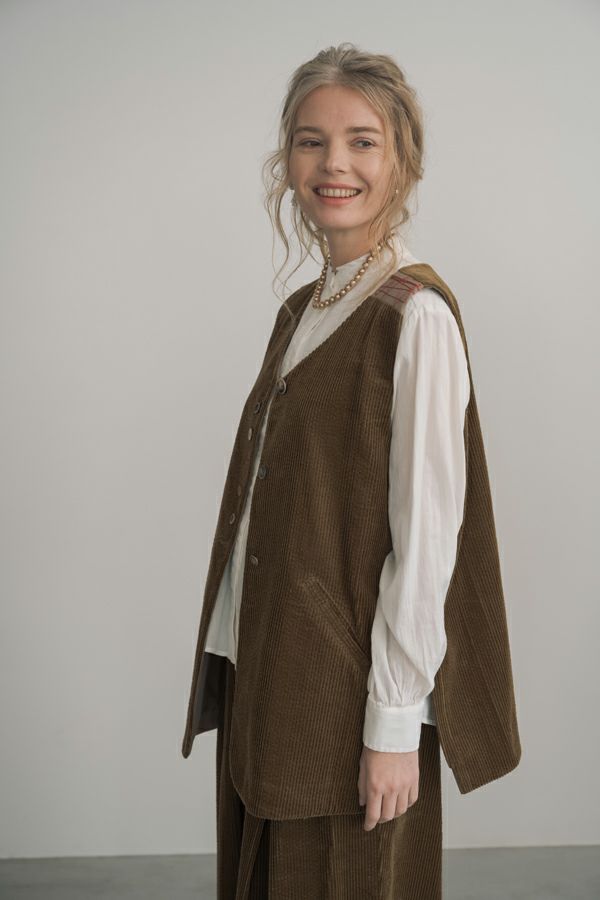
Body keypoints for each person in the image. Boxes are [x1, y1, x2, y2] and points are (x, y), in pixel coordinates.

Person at [181, 43, 521, 900]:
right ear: (288, 161)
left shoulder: (416, 316)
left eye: (362, 141)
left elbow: (428, 535)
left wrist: (395, 722)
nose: (334, 163)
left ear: (401, 160)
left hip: (346, 698)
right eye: (312, 141)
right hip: (271, 672)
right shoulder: (305, 308)